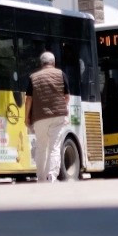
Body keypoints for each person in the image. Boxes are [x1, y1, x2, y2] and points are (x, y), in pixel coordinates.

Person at [23, 51, 71, 183]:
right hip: (58, 116)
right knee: (54, 146)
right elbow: (67, 97)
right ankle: (52, 176)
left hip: (39, 117)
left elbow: (28, 100)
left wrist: (26, 117)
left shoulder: (33, 77)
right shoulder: (61, 74)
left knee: (41, 147)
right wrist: (60, 106)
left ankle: (41, 178)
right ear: (53, 63)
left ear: (41, 63)